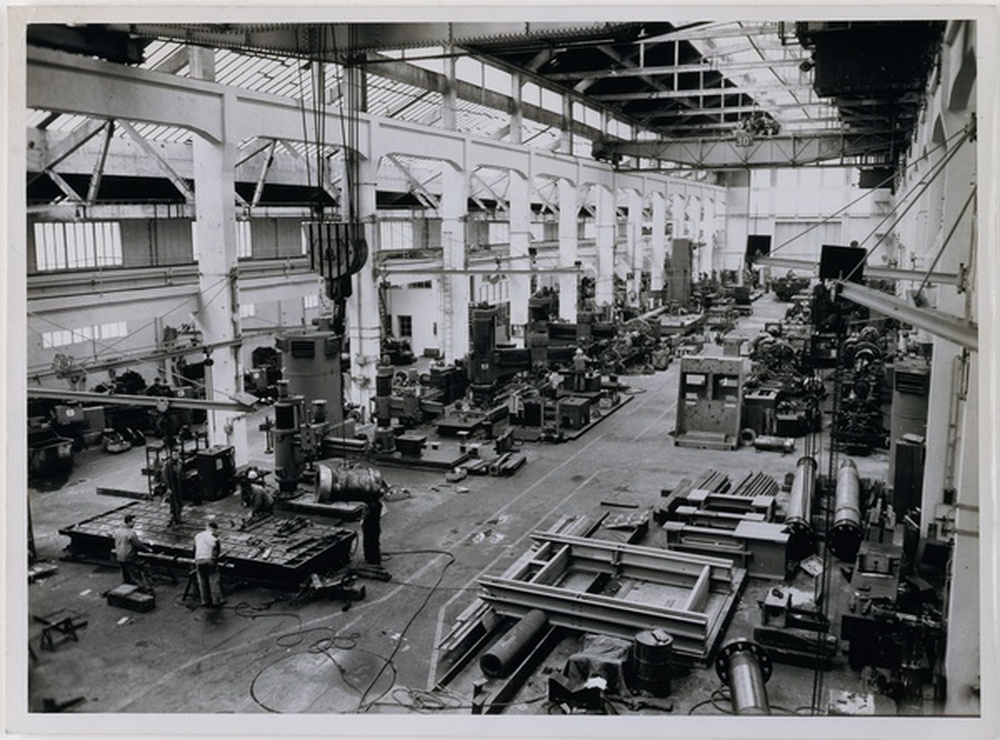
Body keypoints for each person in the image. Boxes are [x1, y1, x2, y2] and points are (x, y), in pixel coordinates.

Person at [113, 514, 150, 588]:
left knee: (125, 573)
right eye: (134, 522)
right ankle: (142, 588)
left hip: (119, 555)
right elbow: (138, 545)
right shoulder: (131, 533)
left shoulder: (118, 531)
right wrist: (147, 550)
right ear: (129, 522)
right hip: (129, 556)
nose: (134, 524)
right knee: (135, 573)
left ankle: (126, 586)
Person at [193, 518, 224, 608]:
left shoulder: (197, 536)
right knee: (213, 580)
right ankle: (216, 601)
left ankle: (205, 601)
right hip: (209, 560)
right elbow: (217, 550)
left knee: (202, 581)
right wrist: (215, 559)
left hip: (198, 560)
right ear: (214, 529)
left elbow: (194, 549)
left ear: (207, 527)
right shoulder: (215, 536)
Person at [160, 448, 185, 526]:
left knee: (180, 502)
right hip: (172, 486)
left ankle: (178, 517)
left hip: (179, 486)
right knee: (173, 503)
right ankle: (173, 519)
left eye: (177, 454)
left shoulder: (180, 463)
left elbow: (181, 473)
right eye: (174, 454)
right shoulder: (167, 464)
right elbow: (165, 476)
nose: (175, 456)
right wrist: (168, 487)